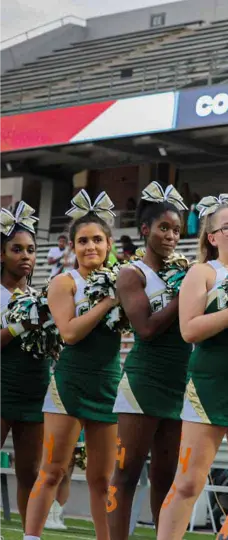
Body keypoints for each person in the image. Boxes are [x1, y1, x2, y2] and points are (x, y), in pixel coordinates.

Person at [155, 194, 228, 540]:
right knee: (188, 482)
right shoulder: (203, 272)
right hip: (210, 384)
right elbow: (189, 329)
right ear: (213, 237)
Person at [25, 190, 122, 540]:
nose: (90, 246)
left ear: (109, 244)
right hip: (69, 385)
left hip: (108, 384)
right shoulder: (63, 282)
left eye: (97, 239)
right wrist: (108, 302)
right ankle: (31, 537)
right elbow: (68, 333)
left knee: (102, 479)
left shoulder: (123, 280)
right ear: (71, 247)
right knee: (52, 470)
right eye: (82, 241)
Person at [107, 183, 191, 540]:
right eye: (163, 228)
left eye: (176, 230)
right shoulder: (132, 273)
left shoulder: (184, 272)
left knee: (166, 477)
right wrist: (185, 295)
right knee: (126, 473)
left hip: (178, 382)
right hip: (143, 382)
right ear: (145, 229)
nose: (171, 236)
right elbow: (145, 328)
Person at [0, 203, 50, 529]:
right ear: (1, 254)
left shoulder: (40, 296)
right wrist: (20, 325)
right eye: (16, 249)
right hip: (2, 385)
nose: (25, 256)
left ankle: (29, 535)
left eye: (30, 250)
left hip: (34, 390)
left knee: (30, 472)